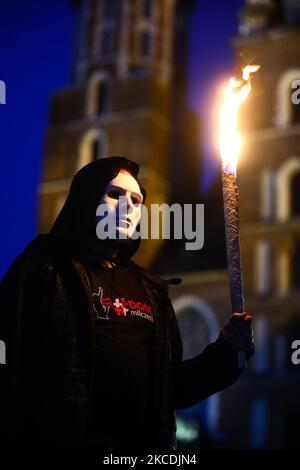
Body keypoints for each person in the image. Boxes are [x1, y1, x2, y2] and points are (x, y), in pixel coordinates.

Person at [0, 156, 254, 453]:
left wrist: (224, 352)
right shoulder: (44, 268)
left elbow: (168, 389)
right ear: (85, 200)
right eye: (114, 194)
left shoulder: (151, 289)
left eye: (136, 200)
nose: (128, 206)